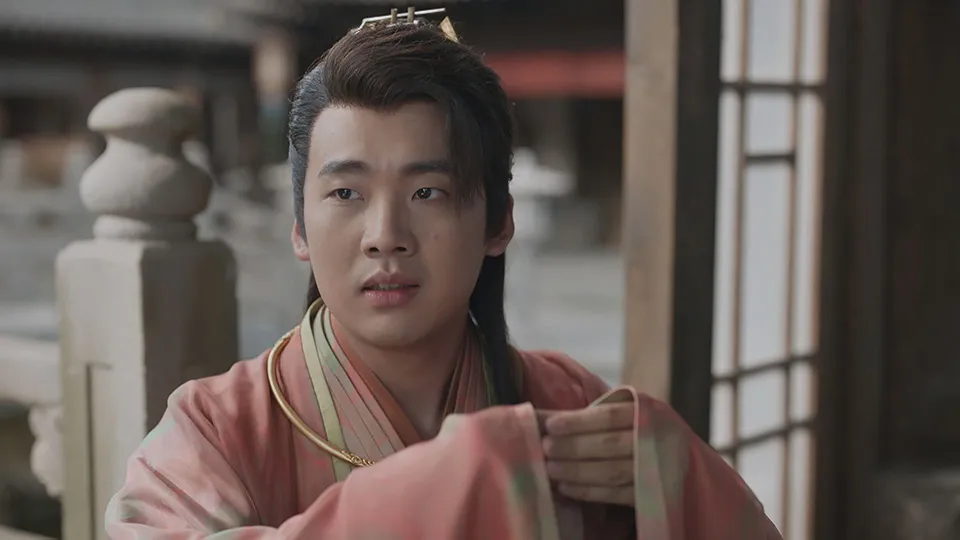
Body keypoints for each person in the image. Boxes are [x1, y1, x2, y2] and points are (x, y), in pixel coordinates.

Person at [105, 14, 781, 540]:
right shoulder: (214, 430)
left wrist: (677, 476)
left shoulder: (567, 405)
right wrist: (453, 477)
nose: (385, 235)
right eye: (346, 194)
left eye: (427, 192)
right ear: (300, 228)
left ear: (499, 222)